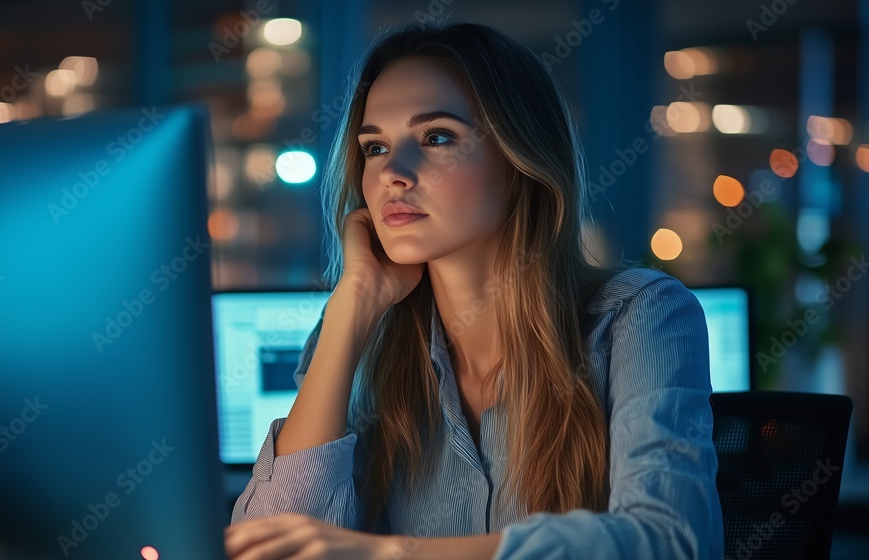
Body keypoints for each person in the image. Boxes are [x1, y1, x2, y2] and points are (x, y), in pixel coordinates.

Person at [224, 20, 724, 560]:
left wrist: (393, 554)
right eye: (375, 147)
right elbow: (270, 545)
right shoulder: (359, 333)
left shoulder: (638, 315)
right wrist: (352, 302)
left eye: (436, 137)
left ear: (518, 160)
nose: (393, 171)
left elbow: (672, 543)